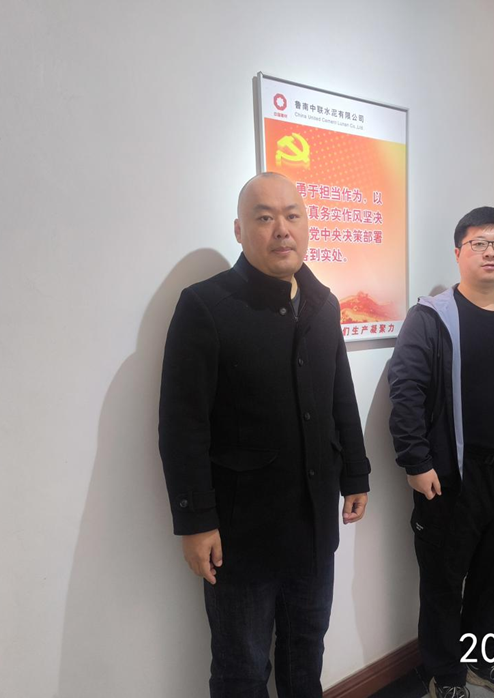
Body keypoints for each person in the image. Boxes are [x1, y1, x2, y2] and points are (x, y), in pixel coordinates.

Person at [158, 171, 371, 698]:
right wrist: (195, 521)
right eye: (264, 217)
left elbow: (340, 393)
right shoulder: (205, 306)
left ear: (307, 224)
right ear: (239, 229)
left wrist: (356, 473)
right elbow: (182, 424)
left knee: (306, 654)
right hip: (241, 533)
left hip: (314, 523)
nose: (282, 229)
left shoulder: (323, 303)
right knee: (242, 669)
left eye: (292, 215)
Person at [388, 206, 494, 698]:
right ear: (458, 252)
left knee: (493, 574)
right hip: (451, 476)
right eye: (479, 243)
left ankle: (484, 659)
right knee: (444, 580)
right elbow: (406, 390)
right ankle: (447, 676)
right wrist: (417, 461)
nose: (490, 252)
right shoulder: (431, 317)